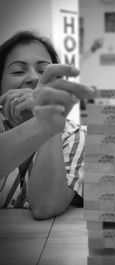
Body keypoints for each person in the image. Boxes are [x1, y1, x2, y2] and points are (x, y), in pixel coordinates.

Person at [0, 31, 95, 219]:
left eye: (43, 71)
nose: (34, 78)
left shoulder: (75, 135)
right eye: (18, 71)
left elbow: (45, 207)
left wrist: (48, 122)